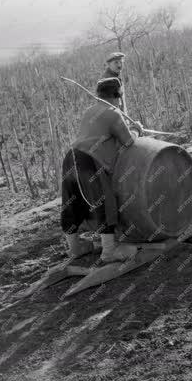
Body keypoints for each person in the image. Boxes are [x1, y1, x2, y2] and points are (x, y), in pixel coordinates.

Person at [60, 76, 142, 262]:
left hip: (71, 158)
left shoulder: (90, 111)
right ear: (117, 95)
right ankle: (109, 251)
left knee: (72, 202)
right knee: (104, 201)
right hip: (90, 161)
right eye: (120, 96)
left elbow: (101, 132)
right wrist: (137, 129)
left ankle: (75, 249)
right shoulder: (114, 113)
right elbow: (128, 141)